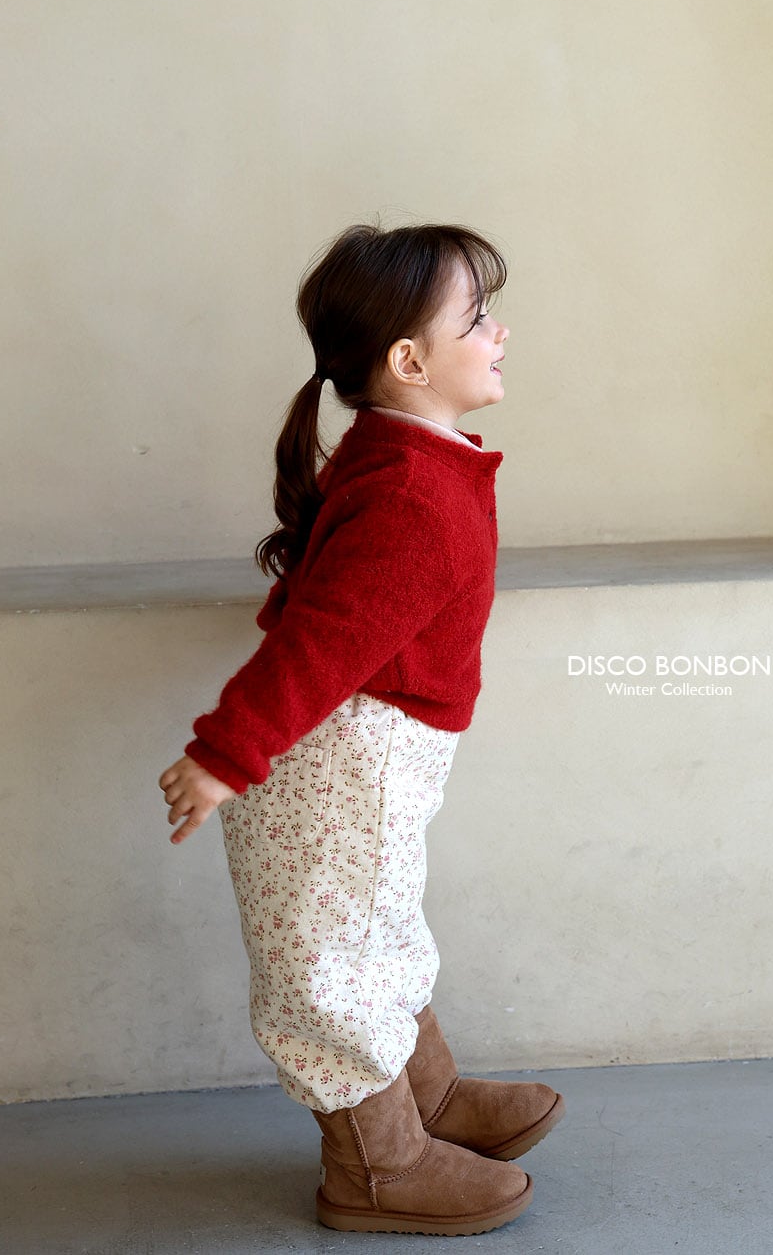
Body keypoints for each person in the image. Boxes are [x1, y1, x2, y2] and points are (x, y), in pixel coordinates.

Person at [157, 221, 565, 1236]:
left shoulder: (408, 458)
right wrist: (224, 754)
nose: (500, 333)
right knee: (334, 964)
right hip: (337, 765)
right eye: (478, 319)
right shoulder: (412, 493)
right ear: (410, 362)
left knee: (379, 932)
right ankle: (375, 1167)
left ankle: (426, 1098)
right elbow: (319, 641)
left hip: (366, 760)